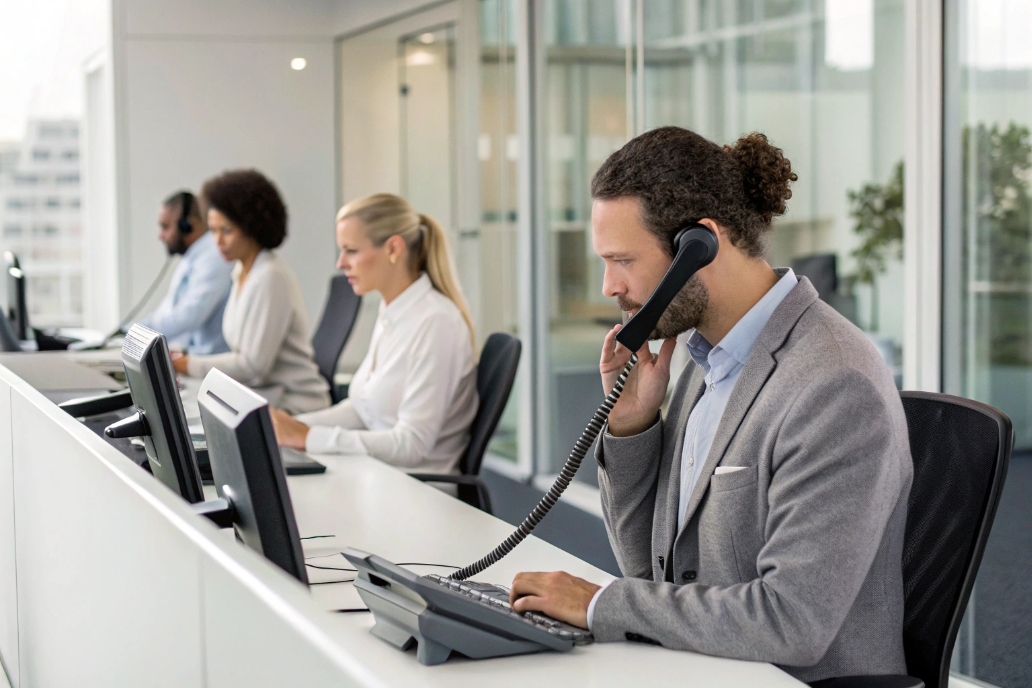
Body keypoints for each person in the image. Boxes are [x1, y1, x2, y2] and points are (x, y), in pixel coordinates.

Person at [506, 127, 913, 684]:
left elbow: (792, 621)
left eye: (622, 260)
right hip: (697, 667)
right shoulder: (701, 360)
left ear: (698, 245)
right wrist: (630, 430)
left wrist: (600, 604)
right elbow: (652, 573)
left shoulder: (834, 383)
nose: (607, 286)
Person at [271, 193, 477, 475]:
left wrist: (308, 437)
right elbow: (362, 411)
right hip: (377, 473)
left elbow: (411, 444)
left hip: (415, 491)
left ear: (394, 248)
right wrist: (290, 426)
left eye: (351, 250)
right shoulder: (393, 311)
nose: (340, 263)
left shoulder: (436, 324)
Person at [171, 170, 330, 414]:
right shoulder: (241, 272)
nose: (218, 242)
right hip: (263, 398)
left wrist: (186, 364)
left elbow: (253, 367)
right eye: (213, 231)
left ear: (252, 227)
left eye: (226, 231)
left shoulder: (269, 276)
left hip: (295, 406)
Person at [137, 190, 232, 354]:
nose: (161, 236)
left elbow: (189, 315)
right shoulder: (191, 258)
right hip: (193, 357)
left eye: (165, 227)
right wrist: (135, 331)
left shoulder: (214, 257)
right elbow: (168, 310)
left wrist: (139, 334)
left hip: (212, 363)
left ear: (187, 226)